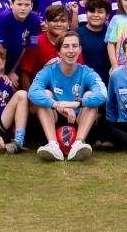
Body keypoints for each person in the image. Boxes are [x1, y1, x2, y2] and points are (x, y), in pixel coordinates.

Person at [29, 32, 110, 162]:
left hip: (80, 123)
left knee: (90, 96)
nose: (71, 50)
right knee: (46, 95)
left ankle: (78, 145)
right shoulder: (49, 71)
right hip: (53, 123)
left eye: (75, 46)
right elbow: (33, 92)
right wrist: (56, 105)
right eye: (66, 46)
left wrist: (77, 103)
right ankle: (53, 146)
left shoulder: (87, 71)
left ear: (80, 50)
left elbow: (102, 93)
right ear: (58, 52)